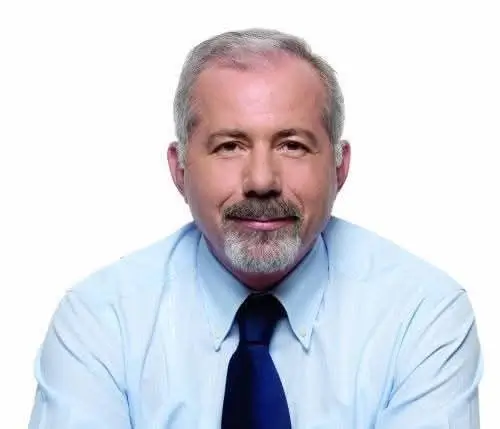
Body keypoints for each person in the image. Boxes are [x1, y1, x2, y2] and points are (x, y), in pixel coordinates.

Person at [28, 28, 482, 429]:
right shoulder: (100, 321)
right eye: (229, 146)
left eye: (292, 145)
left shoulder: (421, 314)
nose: (262, 180)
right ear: (180, 169)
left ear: (339, 167)